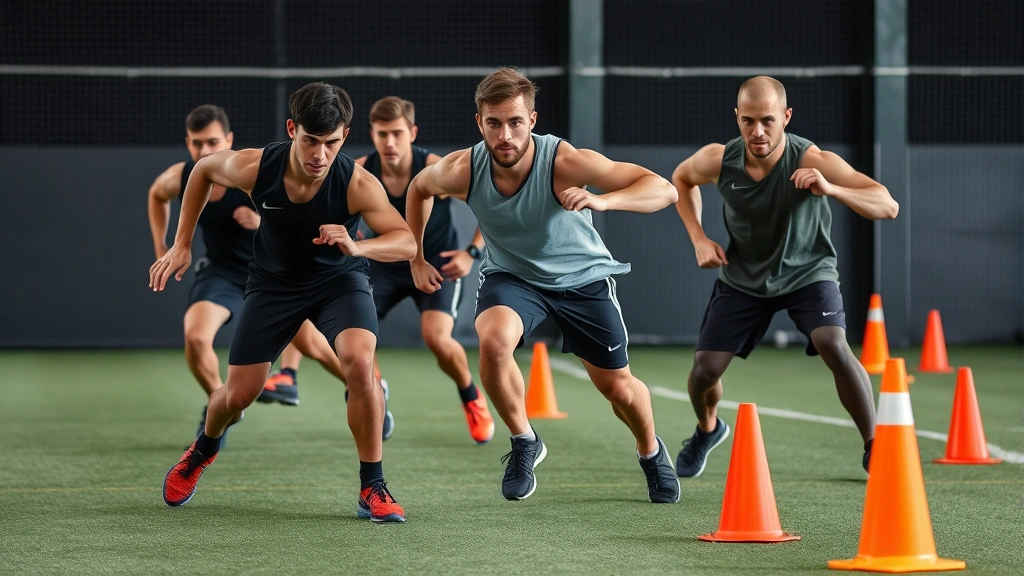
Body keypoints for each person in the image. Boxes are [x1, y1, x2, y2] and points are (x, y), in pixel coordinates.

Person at [406, 68, 680, 503]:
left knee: (619, 388)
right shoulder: (461, 168)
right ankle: (524, 440)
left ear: (532, 121)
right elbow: (418, 189)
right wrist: (416, 257)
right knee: (493, 341)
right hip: (513, 277)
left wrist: (603, 200)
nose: (505, 135)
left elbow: (664, 190)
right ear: (479, 123)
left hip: (582, 279)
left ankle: (650, 452)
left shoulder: (566, 163)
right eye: (494, 123)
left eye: (515, 122)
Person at [150, 83, 415, 522]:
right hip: (274, 285)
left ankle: (373, 485)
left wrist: (357, 246)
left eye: (331, 143)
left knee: (359, 362)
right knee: (239, 394)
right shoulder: (257, 167)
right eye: (311, 141)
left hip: (338, 281)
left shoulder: (357, 183)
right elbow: (201, 171)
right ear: (293, 129)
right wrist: (180, 244)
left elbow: (405, 241)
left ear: (344, 137)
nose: (320, 155)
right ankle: (202, 450)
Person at [669, 76, 898, 478]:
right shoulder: (718, 159)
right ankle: (707, 430)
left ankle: (875, 445)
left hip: (808, 271)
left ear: (786, 117)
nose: (758, 131)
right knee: (704, 370)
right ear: (737, 118)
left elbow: (887, 205)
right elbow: (682, 180)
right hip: (743, 277)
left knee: (834, 344)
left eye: (768, 121)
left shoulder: (811, 159)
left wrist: (831, 188)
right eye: (748, 121)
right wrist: (699, 239)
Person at [148, 105, 352, 432]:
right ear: (187, 143)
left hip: (273, 274)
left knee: (315, 346)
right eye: (197, 144)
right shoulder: (185, 176)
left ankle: (367, 388)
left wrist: (261, 221)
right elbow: (157, 195)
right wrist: (168, 246)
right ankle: (226, 406)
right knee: (196, 337)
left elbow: (299, 217)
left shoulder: (249, 171)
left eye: (213, 142)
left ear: (228, 140)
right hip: (222, 274)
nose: (205, 151)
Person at [354, 96, 494, 445]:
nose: (390, 142)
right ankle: (375, 389)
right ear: (372, 134)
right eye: (382, 134)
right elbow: (327, 205)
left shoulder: (437, 167)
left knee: (436, 336)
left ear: (412, 132)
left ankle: (471, 396)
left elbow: (491, 206)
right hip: (385, 265)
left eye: (397, 133)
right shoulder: (359, 170)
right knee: (349, 336)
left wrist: (471, 253)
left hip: (436, 265)